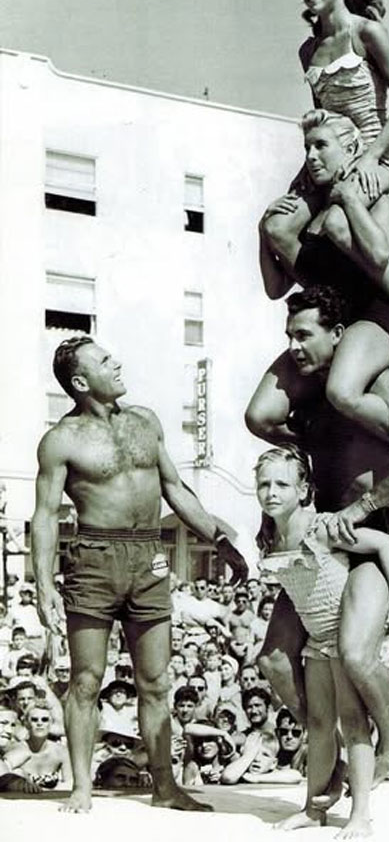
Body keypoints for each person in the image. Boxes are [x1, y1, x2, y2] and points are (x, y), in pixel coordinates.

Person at [30, 336, 245, 812]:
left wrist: (221, 539)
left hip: (149, 556)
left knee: (156, 681)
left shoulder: (145, 421)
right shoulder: (61, 440)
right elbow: (45, 515)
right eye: (106, 360)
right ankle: (82, 787)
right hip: (94, 558)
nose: (118, 361)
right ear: (82, 382)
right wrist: (44, 585)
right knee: (86, 679)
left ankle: (165, 787)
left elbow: (175, 488)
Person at [248, 284, 389, 792]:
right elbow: (259, 418)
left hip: (374, 531)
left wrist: (363, 507)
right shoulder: (309, 399)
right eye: (288, 335)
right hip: (322, 543)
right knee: (273, 659)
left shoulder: (383, 385)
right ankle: (327, 748)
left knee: (355, 655)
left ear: (340, 335)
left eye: (304, 335)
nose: (293, 346)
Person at [260, 0, 389, 351]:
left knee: (336, 223)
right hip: (334, 155)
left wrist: (370, 156)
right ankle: (334, 304)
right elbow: (323, 119)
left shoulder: (366, 33)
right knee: (277, 226)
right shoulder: (308, 51)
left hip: (375, 155)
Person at [255, 445, 389, 836]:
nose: (271, 492)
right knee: (319, 725)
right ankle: (313, 808)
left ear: (304, 490)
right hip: (317, 636)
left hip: (345, 626)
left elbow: (384, 544)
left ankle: (361, 814)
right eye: (264, 484)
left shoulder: (319, 526)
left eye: (282, 485)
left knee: (354, 723)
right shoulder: (271, 534)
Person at [259, 108, 389, 445]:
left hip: (372, 318)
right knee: (260, 415)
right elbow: (275, 287)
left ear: (352, 150)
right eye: (307, 148)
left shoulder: (377, 204)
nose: (311, 157)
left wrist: (350, 200)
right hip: (327, 326)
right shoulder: (309, 218)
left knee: (342, 392)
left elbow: (380, 253)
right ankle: (321, 449)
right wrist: (262, 231)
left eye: (321, 145)